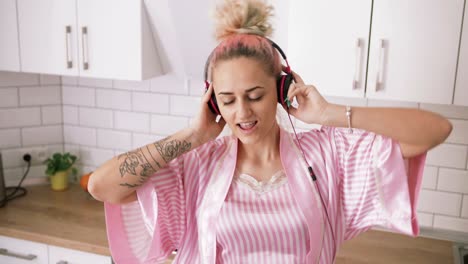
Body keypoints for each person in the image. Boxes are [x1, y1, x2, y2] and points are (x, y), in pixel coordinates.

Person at [88, 0, 453, 263]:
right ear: (212, 102)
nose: (242, 112)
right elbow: (101, 186)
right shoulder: (196, 166)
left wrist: (327, 114)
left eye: (255, 95)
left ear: (280, 91)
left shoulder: (326, 155)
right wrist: (193, 136)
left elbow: (434, 130)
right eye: (227, 100)